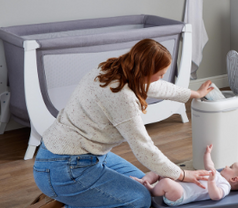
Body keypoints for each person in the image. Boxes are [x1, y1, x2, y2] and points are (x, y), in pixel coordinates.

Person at [31, 39, 214, 208]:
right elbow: (143, 148)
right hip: (65, 167)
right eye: (159, 74)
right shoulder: (122, 97)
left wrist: (194, 94)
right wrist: (182, 174)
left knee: (142, 181)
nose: (160, 79)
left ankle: (67, 196)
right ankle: (67, 198)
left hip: (75, 155)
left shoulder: (113, 69)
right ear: (146, 71)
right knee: (140, 199)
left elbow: (156, 86)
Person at [132, 144, 238, 206]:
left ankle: (150, 191)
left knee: (166, 183)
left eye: (231, 167)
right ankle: (143, 180)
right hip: (177, 184)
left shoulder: (225, 185)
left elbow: (216, 196)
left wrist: (211, 182)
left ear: (234, 179)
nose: (227, 166)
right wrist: (207, 153)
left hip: (179, 195)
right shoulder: (216, 173)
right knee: (162, 171)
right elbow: (209, 164)